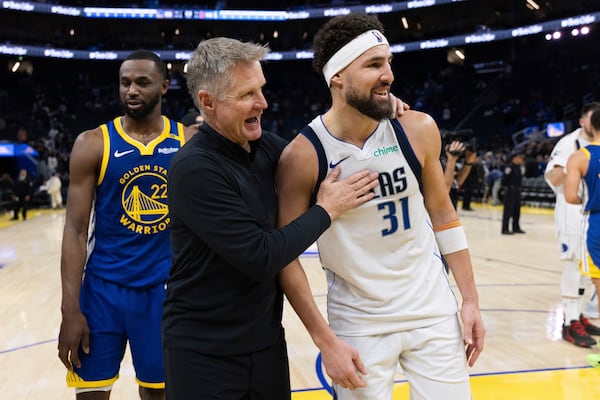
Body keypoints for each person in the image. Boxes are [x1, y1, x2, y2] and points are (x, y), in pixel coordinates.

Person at [276, 14, 485, 400]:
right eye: (373, 65)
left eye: (388, 62)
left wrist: (470, 300)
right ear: (337, 76)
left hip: (433, 311)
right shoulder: (303, 156)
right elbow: (287, 257)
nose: (388, 74)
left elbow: (443, 216)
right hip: (358, 323)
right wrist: (325, 341)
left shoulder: (417, 128)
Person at [161, 37, 382, 400]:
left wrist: (380, 113)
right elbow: (260, 255)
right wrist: (326, 210)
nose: (262, 103)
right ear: (208, 102)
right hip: (202, 353)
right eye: (247, 94)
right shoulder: (193, 169)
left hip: (265, 344)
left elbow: (328, 153)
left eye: (261, 89)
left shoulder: (266, 147)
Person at [57, 49, 194, 400]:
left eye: (142, 83)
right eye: (125, 83)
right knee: (91, 394)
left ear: (164, 86)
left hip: (163, 292)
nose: (131, 90)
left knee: (158, 394)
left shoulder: (188, 143)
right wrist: (69, 309)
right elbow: (74, 231)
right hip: (103, 291)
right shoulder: (93, 143)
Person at [550, 102, 600, 346]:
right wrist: (574, 167)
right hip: (571, 212)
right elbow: (552, 176)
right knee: (572, 266)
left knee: (587, 270)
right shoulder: (569, 143)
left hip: (590, 213)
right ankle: (569, 323)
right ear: (583, 122)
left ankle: (578, 314)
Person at [442, 140, 475, 209]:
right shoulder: (431, 161)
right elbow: (444, 191)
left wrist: (468, 162)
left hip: (451, 207)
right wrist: (452, 160)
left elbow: (456, 182)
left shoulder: (445, 160)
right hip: (437, 213)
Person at [500, 151, 525, 235]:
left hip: (517, 191)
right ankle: (505, 228)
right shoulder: (509, 168)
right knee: (508, 211)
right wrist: (504, 189)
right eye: (519, 158)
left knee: (516, 211)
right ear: (514, 158)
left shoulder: (519, 168)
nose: (521, 159)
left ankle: (516, 227)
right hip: (510, 191)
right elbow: (504, 180)